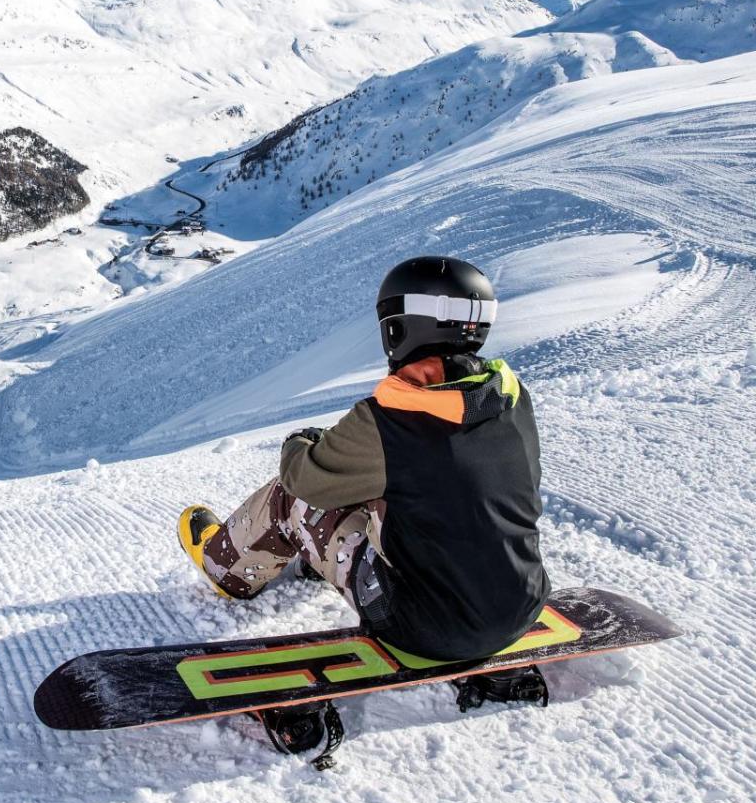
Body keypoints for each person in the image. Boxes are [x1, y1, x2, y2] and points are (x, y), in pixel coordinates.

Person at [180, 256, 549, 666]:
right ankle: (313, 561)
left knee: (291, 497)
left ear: (399, 328)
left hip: (423, 628)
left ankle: (223, 567)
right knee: (397, 488)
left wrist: (299, 442)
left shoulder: (389, 422)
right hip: (522, 608)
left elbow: (304, 478)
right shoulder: (510, 399)